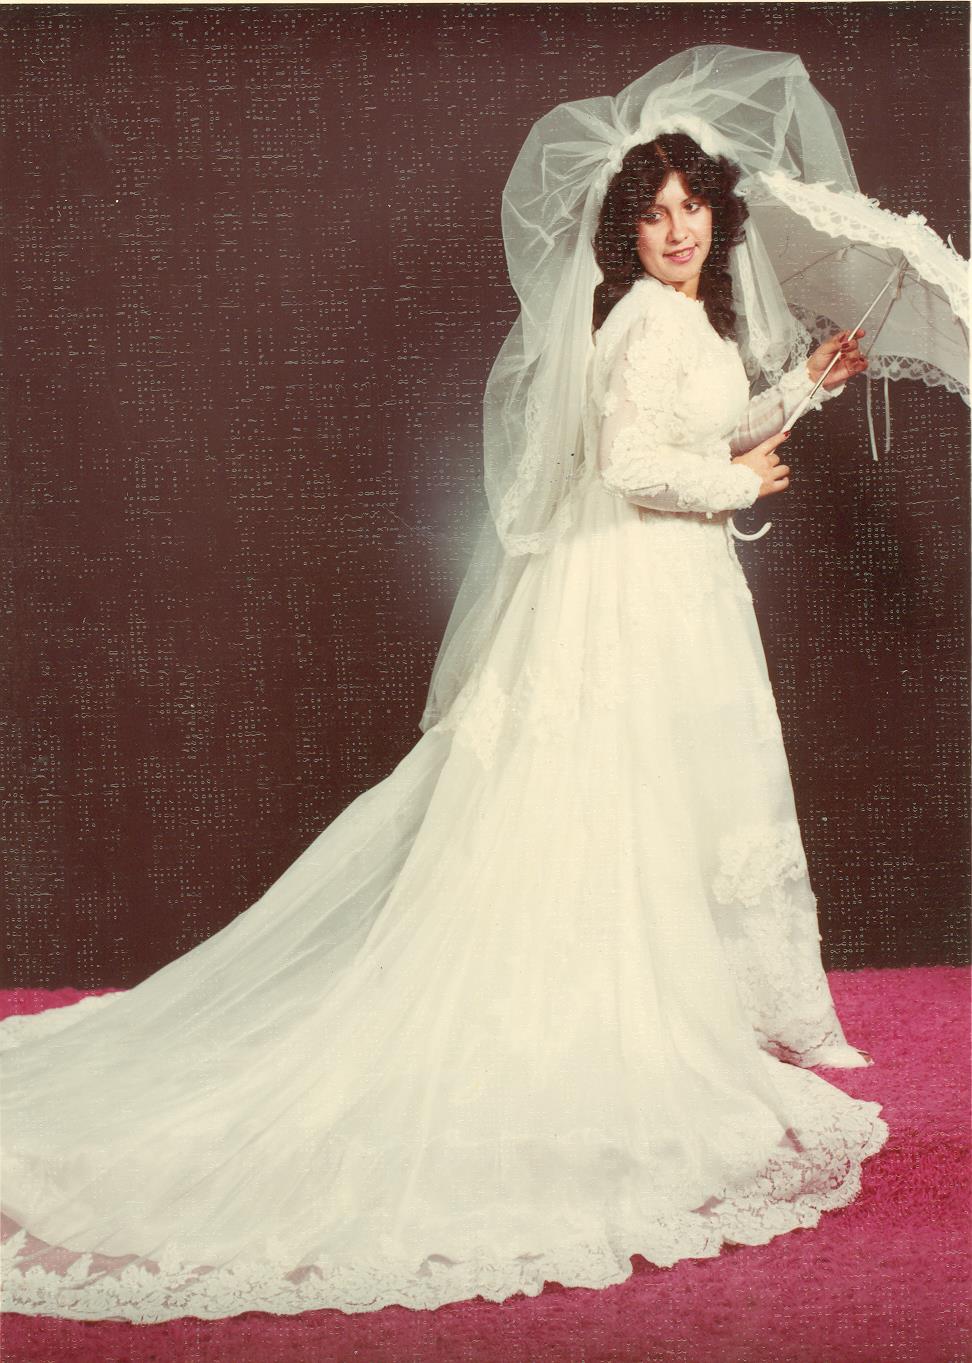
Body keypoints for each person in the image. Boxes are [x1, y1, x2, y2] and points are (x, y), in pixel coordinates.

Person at [1, 65, 890, 1323]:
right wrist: (741, 486)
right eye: (654, 214)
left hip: (672, 585)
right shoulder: (644, 320)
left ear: (717, 214)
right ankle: (652, 1013)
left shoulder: (682, 324)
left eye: (693, 207)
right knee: (630, 789)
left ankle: (749, 1002)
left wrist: (802, 388)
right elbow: (636, 465)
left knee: (682, 786)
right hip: (632, 583)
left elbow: (701, 430)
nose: (679, 229)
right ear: (627, 232)